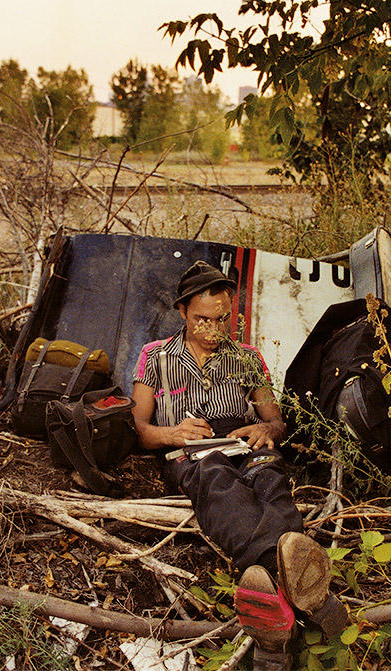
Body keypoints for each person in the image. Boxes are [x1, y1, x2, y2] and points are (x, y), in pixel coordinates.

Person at [131, 260, 347, 669]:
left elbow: (277, 421)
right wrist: (172, 434)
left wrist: (266, 429)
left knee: (269, 478)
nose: (213, 330)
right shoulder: (154, 356)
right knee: (216, 480)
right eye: (202, 320)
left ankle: (273, 608)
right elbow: (140, 429)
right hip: (191, 447)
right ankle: (300, 587)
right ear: (181, 312)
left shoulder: (247, 357)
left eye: (222, 320)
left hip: (242, 440)